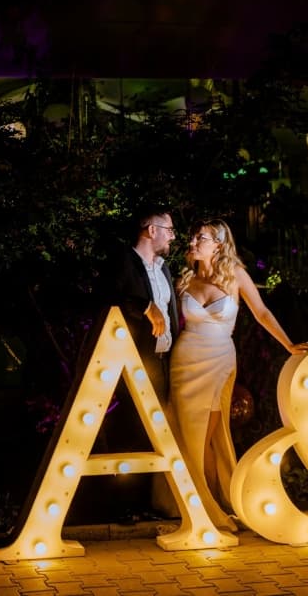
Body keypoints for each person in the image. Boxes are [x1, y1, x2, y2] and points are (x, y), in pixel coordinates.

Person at [170, 218, 308, 528]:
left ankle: (213, 501)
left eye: (201, 238)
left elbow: (261, 311)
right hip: (185, 360)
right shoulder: (183, 280)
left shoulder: (235, 275)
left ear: (219, 245)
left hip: (219, 359)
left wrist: (287, 344)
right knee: (189, 434)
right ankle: (201, 505)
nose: (193, 242)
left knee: (210, 434)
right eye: (193, 237)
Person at [100, 206, 181, 521]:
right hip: (133, 362)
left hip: (161, 361)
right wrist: (144, 305)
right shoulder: (122, 261)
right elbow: (109, 296)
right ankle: (124, 506)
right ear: (151, 229)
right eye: (169, 229)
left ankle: (146, 503)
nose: (172, 236)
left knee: (154, 433)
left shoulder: (163, 268)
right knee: (130, 431)